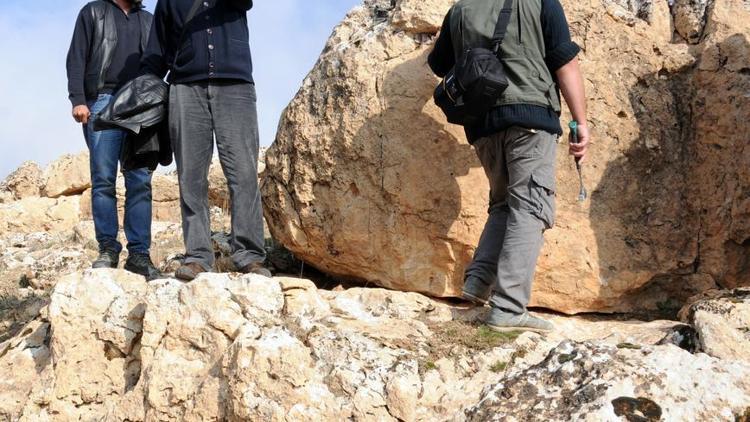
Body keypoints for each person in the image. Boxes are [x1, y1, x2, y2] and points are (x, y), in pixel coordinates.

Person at [428, 0, 590, 332]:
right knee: (531, 207)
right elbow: (565, 62)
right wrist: (581, 121)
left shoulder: (459, 11)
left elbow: (438, 63)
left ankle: (477, 283)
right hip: (530, 117)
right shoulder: (541, 2)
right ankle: (509, 307)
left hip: (482, 126)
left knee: (504, 204)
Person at [141, 0, 271, 281]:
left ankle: (249, 255)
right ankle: (199, 256)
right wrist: (139, 95)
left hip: (235, 86)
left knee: (244, 174)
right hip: (185, 90)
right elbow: (156, 52)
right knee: (190, 178)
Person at [66, 0, 162, 280]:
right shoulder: (93, 11)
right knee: (103, 181)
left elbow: (160, 61)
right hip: (102, 102)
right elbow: (76, 57)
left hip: (140, 106)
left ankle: (139, 256)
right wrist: (78, 100)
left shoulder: (148, 19)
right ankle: (108, 249)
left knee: (140, 181)